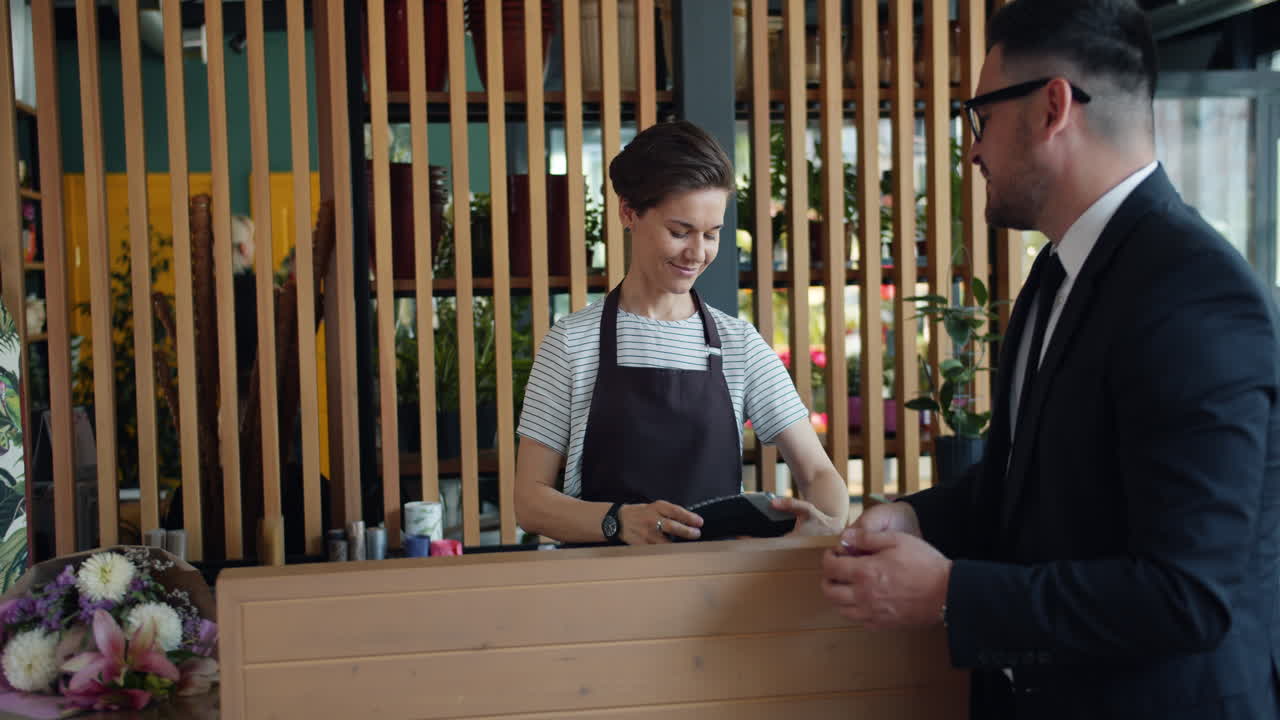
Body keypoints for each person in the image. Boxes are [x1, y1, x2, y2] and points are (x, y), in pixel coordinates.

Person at [819, 1, 1280, 718]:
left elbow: (1185, 596)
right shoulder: (1054, 276)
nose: (971, 150)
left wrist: (947, 593)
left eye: (981, 116)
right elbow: (1022, 486)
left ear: (1051, 108)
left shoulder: (1195, 291)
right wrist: (910, 520)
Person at [514, 120, 849, 545]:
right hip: (599, 593)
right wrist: (617, 521)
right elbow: (529, 501)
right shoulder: (570, 344)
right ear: (628, 212)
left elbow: (819, 473)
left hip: (714, 595)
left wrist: (825, 522)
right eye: (679, 232)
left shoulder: (738, 345)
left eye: (712, 235)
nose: (697, 253)